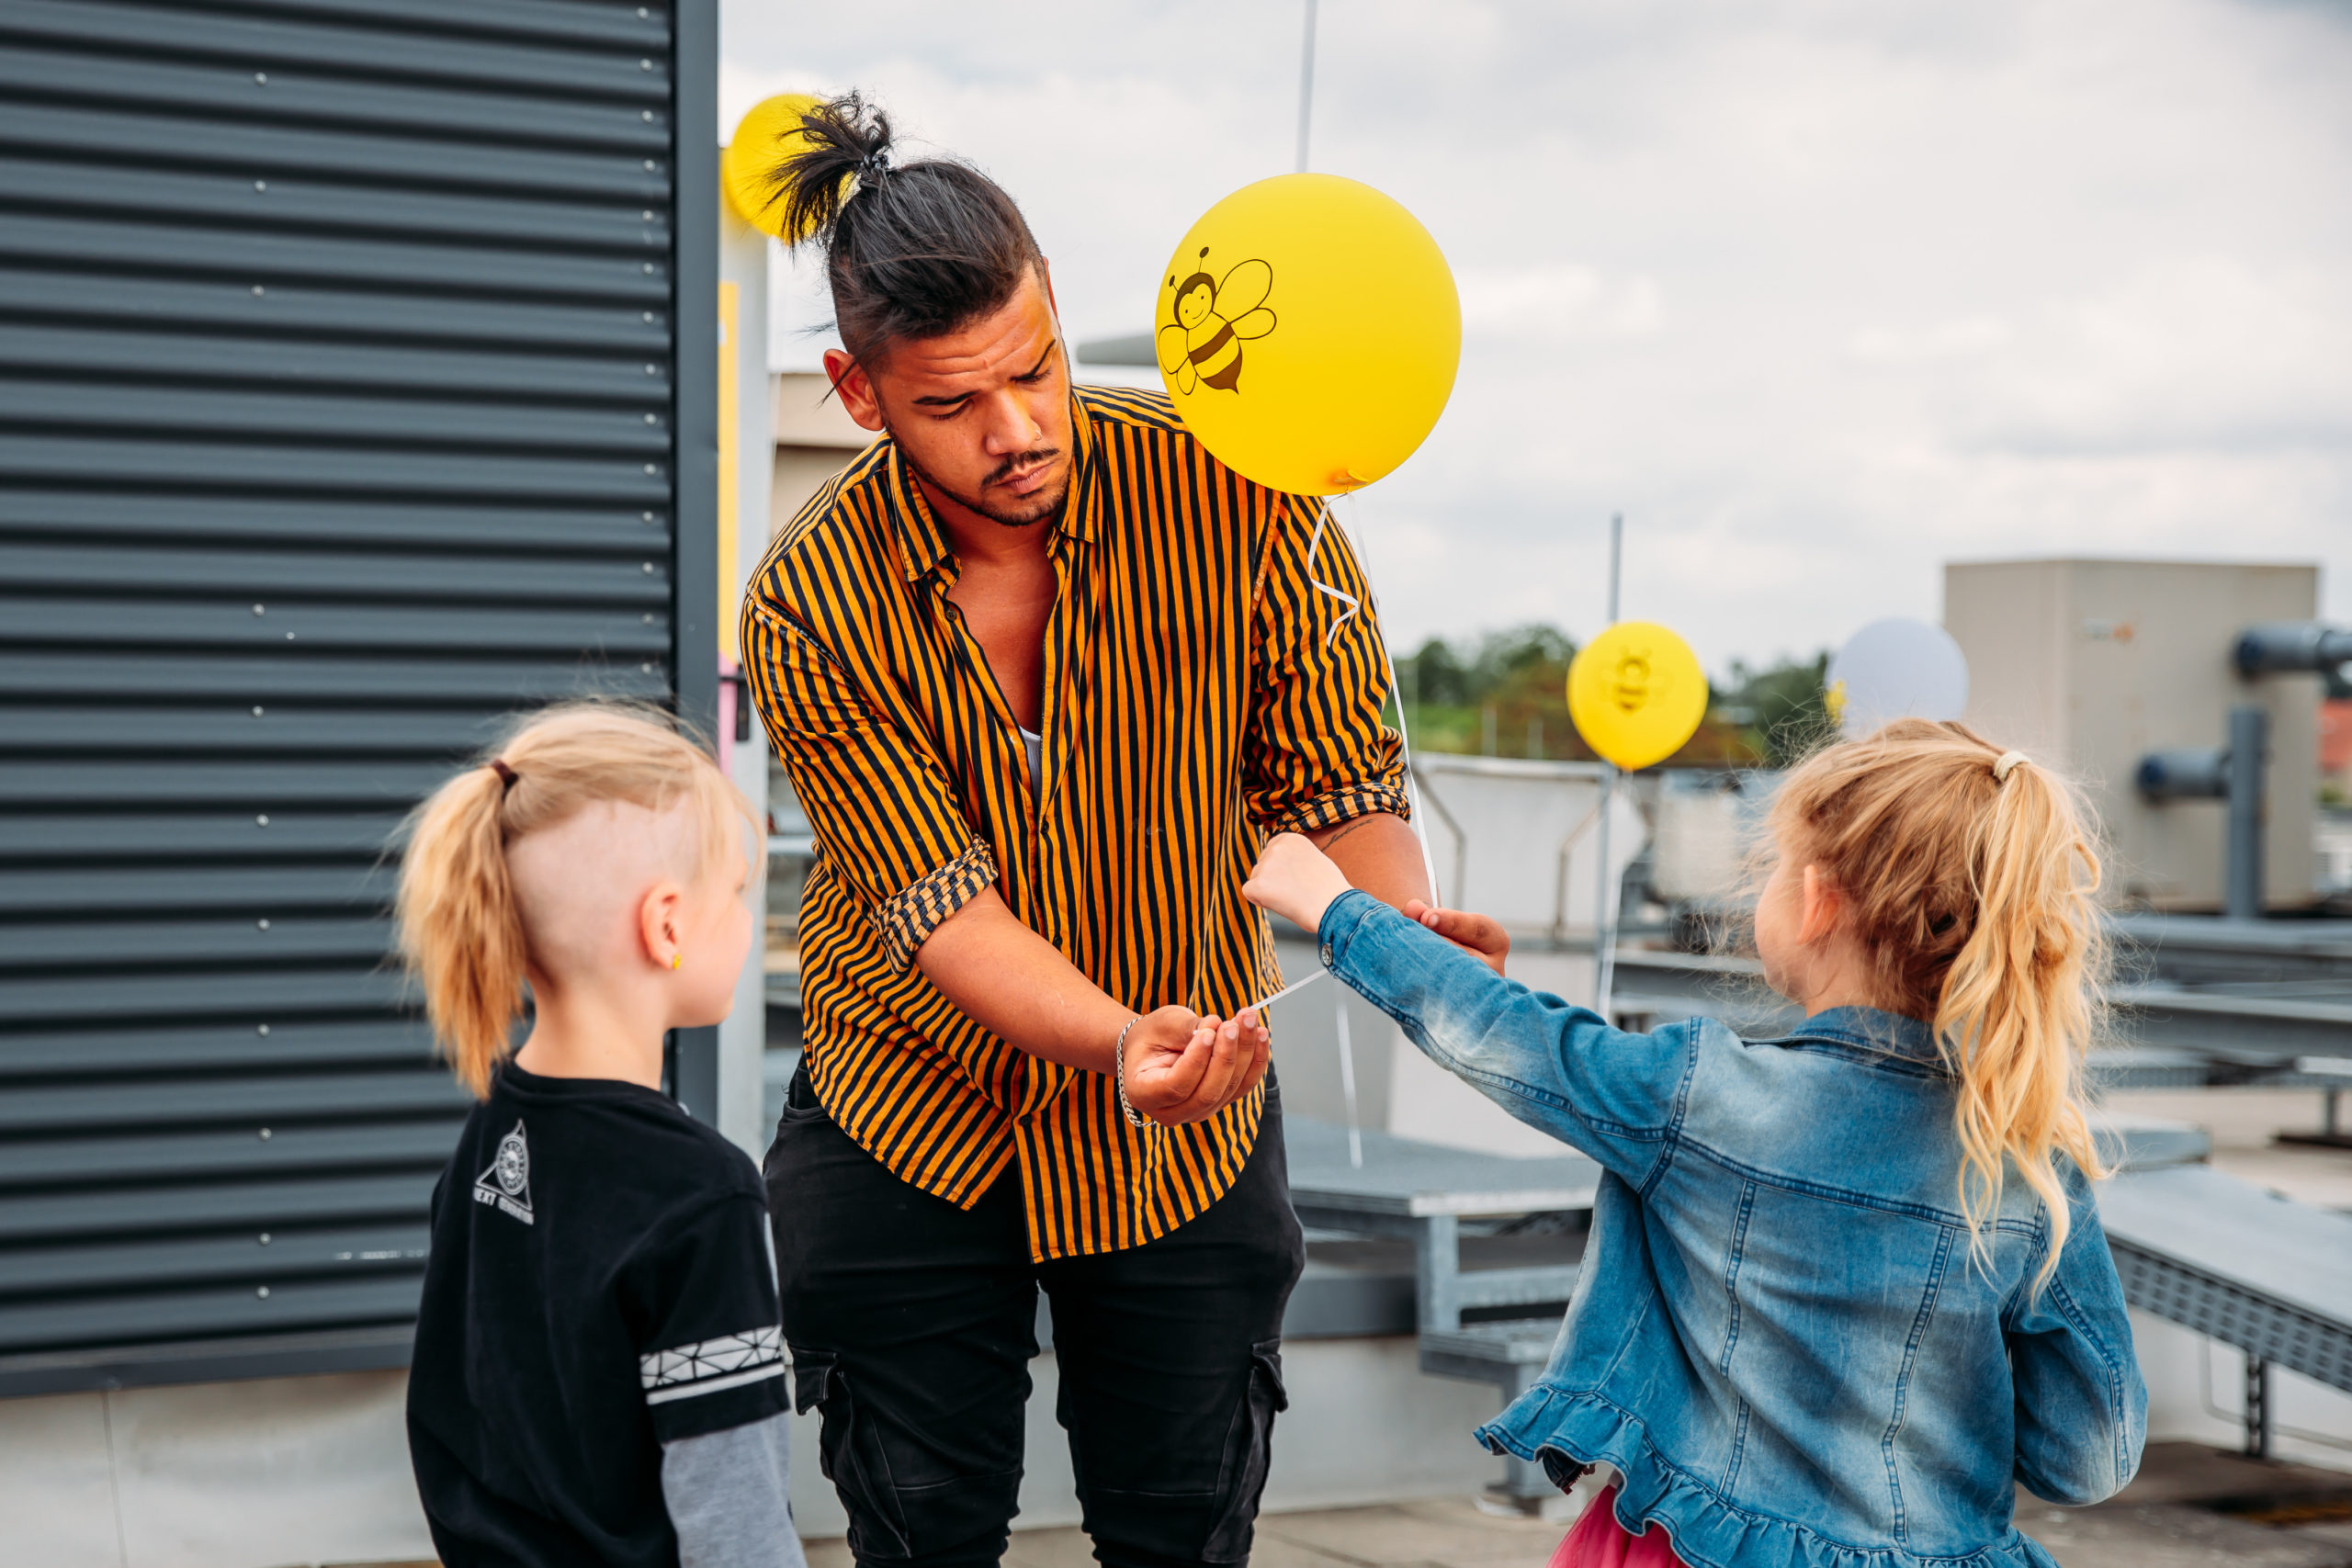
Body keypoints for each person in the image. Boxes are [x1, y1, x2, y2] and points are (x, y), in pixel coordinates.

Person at [740, 93, 1503, 1568]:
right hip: (905, 1099)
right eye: (952, 404)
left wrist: (1402, 933)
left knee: (1181, 1524)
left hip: (1189, 1125)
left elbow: (1341, 777)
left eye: (1035, 370)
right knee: (919, 1524)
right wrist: (1112, 1039)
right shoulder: (807, 597)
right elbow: (935, 900)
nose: (1016, 431)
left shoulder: (1246, 489)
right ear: (856, 391)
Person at [1243, 718, 2147, 1568]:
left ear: (1818, 897)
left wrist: (1336, 908)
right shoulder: (2027, 1164)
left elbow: (1504, 1036)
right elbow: (2087, 1458)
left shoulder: (1703, 1095)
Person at [398, 703, 807, 1568]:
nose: (748, 917)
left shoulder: (491, 1136)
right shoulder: (705, 1197)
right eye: (737, 892)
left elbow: (451, 1417)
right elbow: (737, 1529)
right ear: (666, 927)